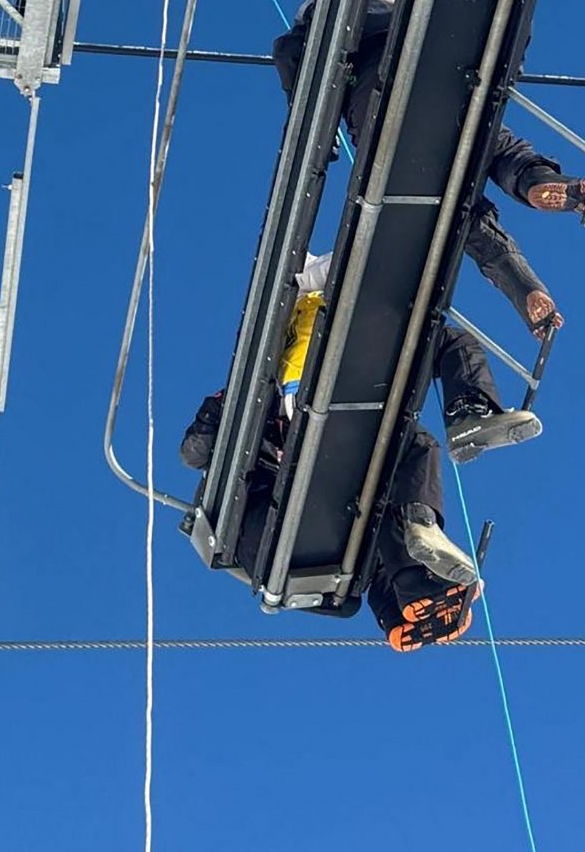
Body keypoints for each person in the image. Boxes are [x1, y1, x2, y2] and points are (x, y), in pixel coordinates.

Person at [180, 255, 539, 651]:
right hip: (277, 515)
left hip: (313, 503)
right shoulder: (253, 428)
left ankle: (411, 594)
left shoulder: (290, 391)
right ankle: (419, 547)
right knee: (412, 449)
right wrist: (228, 407)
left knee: (379, 500)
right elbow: (194, 452)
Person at [273, 0, 585, 336]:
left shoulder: (324, 11)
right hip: (440, 76)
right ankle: (537, 182)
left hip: (376, 105)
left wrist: (322, 138)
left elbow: (291, 59)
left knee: (455, 215)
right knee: (492, 145)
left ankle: (523, 285)